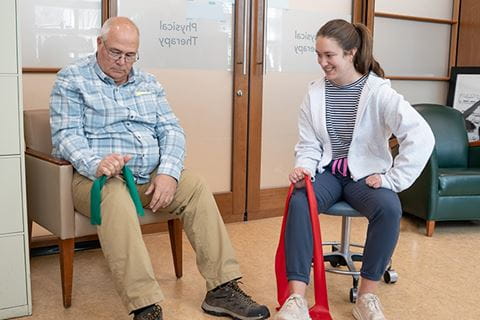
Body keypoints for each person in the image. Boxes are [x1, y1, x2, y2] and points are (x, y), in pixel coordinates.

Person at [50, 17, 270, 320]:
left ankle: (222, 288)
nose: (122, 62)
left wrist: (168, 171)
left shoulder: (148, 83)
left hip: (146, 174)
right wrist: (97, 163)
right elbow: (66, 136)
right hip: (96, 179)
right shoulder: (71, 79)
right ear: (98, 44)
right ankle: (144, 304)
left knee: (194, 185)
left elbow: (172, 130)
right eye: (115, 52)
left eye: (130, 55)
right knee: (113, 196)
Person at [274, 19, 434, 320]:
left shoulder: (379, 92)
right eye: (318, 55)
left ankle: (366, 297)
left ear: (351, 53)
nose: (322, 62)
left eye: (329, 55)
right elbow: (309, 144)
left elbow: (421, 135)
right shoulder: (315, 94)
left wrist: (393, 179)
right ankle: (296, 300)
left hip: (366, 176)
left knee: (389, 208)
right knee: (299, 202)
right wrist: (304, 169)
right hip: (328, 173)